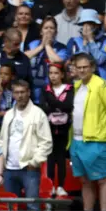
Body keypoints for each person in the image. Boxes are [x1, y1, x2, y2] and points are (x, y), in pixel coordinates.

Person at [70, 53, 106, 211]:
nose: (82, 70)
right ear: (75, 69)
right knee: (85, 181)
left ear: (92, 67)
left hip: (96, 140)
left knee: (102, 179)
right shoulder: (77, 85)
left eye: (85, 67)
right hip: (77, 141)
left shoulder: (103, 86)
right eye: (79, 67)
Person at [0, 80, 53, 211]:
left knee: (32, 206)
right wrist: (2, 163)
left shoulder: (38, 114)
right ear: (13, 95)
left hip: (29, 169)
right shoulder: (9, 114)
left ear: (29, 93)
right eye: (16, 92)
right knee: (10, 208)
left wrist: (34, 162)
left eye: (23, 92)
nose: (20, 95)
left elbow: (46, 142)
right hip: (9, 169)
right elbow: (2, 140)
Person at [41, 63, 73, 197]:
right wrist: (58, 107)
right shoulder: (46, 89)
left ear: (62, 75)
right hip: (49, 128)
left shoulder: (69, 88)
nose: (53, 76)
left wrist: (54, 104)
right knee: (50, 158)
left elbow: (68, 105)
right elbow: (44, 107)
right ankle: (51, 186)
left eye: (56, 73)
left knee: (61, 157)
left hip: (64, 129)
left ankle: (60, 185)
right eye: (51, 73)